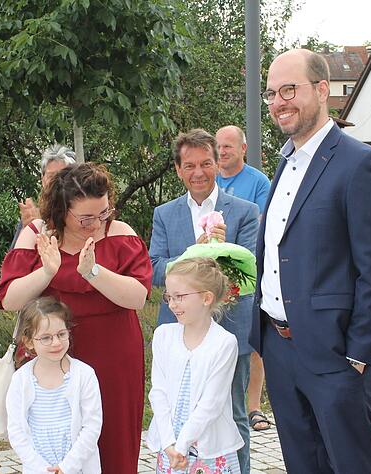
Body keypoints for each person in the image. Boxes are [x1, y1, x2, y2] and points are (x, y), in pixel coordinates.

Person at [249, 48, 371, 473]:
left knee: (354, 465)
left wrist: (359, 352)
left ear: (323, 89)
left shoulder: (360, 164)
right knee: (303, 464)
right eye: (273, 93)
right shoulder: (285, 162)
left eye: (289, 90)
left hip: (335, 353)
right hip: (279, 349)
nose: (279, 102)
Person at [0, 163, 152, 474]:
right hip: (56, 358)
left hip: (115, 357)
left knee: (115, 445)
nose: (96, 224)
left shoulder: (121, 233)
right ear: (61, 210)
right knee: (58, 447)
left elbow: (138, 296)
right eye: (85, 218)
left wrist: (92, 271)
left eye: (104, 213)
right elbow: (10, 299)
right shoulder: (36, 235)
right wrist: (47, 271)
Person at [149, 128, 259, 473]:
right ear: (179, 170)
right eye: (190, 165)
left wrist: (224, 254)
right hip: (179, 329)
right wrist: (193, 254)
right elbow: (154, 269)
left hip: (231, 330)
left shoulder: (243, 211)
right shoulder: (165, 214)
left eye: (206, 163)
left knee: (233, 411)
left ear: (218, 163)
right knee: (180, 408)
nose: (198, 172)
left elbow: (250, 275)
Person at [147, 258, 243, 473]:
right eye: (168, 297)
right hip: (169, 444)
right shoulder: (164, 335)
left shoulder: (224, 343)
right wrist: (169, 443)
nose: (172, 304)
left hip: (208, 447)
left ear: (206, 298)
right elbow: (158, 391)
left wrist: (182, 445)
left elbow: (212, 403)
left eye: (179, 297)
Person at [215, 125, 273, 432]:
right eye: (218, 147)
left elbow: (260, 224)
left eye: (228, 146)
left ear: (243, 149)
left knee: (250, 342)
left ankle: (253, 406)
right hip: (211, 276)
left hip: (247, 272)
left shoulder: (258, 182)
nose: (222, 152)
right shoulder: (208, 179)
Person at [6, 297, 102, 474]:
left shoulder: (84, 375)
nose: (56, 343)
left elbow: (92, 427)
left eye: (61, 334)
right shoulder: (21, 380)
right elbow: (16, 431)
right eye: (46, 338)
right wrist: (41, 469)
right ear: (28, 341)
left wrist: (67, 467)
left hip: (77, 468)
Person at [10, 145, 77, 248]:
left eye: (63, 175)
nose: (57, 181)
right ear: (43, 180)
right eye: (51, 176)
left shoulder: (81, 213)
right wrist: (28, 229)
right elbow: (15, 257)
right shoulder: (33, 216)